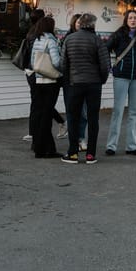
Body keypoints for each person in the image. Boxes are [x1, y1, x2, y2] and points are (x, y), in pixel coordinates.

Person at [60, 13, 109, 164]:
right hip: (94, 84)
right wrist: (102, 80)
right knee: (93, 118)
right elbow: (105, 65)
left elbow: (63, 64)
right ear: (93, 24)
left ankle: (73, 153)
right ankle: (90, 155)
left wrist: (69, 80)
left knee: (73, 117)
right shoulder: (97, 40)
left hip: (75, 84)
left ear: (80, 24)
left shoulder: (69, 39)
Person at [106, 10, 136, 157]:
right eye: (130, 18)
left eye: (135, 18)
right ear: (126, 20)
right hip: (121, 77)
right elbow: (105, 49)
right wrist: (109, 67)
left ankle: (132, 146)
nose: (133, 20)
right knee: (118, 111)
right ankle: (111, 146)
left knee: (135, 112)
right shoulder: (119, 34)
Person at [29, 16, 64, 159]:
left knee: (40, 115)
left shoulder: (37, 39)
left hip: (38, 80)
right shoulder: (51, 40)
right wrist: (62, 70)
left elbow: (32, 62)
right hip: (50, 82)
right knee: (46, 116)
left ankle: (39, 146)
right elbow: (56, 62)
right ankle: (47, 149)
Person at [61, 14, 88, 151]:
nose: (80, 25)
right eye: (78, 23)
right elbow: (63, 61)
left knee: (83, 112)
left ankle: (81, 138)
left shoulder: (89, 38)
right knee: (71, 111)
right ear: (73, 24)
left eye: (82, 23)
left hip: (84, 80)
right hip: (70, 81)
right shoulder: (67, 39)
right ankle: (73, 141)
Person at [21, 8, 46, 144]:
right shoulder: (39, 35)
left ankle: (33, 131)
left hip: (30, 71)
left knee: (36, 102)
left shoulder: (30, 33)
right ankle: (36, 131)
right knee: (40, 102)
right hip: (39, 71)